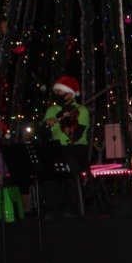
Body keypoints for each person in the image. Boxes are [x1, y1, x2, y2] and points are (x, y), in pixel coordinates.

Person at [42, 75, 90, 216]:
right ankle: (53, 206)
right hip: (57, 148)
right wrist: (46, 125)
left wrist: (67, 124)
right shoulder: (52, 111)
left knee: (70, 164)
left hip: (75, 149)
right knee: (47, 169)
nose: (56, 95)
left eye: (59, 92)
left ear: (69, 94)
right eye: (55, 92)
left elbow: (77, 136)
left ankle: (72, 205)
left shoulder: (81, 110)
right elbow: (43, 135)